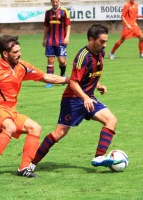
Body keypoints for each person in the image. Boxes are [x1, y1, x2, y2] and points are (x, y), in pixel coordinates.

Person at [0, 35, 69, 182]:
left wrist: (70, 80)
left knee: (35, 128)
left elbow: (45, 77)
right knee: (10, 127)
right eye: (15, 52)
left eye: (19, 50)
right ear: (5, 54)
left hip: (10, 111)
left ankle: (24, 168)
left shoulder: (22, 67)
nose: (19, 54)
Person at [30, 24, 119, 171]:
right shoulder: (82, 57)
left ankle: (99, 157)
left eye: (106, 41)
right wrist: (85, 98)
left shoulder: (100, 53)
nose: (105, 45)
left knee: (111, 120)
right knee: (59, 133)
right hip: (73, 100)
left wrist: (98, 85)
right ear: (91, 40)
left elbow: (90, 74)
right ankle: (31, 163)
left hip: (88, 98)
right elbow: (73, 82)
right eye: (102, 42)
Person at [43, 0, 71, 88]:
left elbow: (68, 25)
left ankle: (62, 75)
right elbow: (46, 26)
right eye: (53, 2)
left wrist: (67, 37)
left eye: (56, 2)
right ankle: (50, 81)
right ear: (51, 2)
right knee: (50, 60)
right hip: (50, 41)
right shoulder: (48, 13)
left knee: (62, 61)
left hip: (61, 41)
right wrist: (44, 38)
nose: (55, 4)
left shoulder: (64, 12)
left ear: (59, 2)